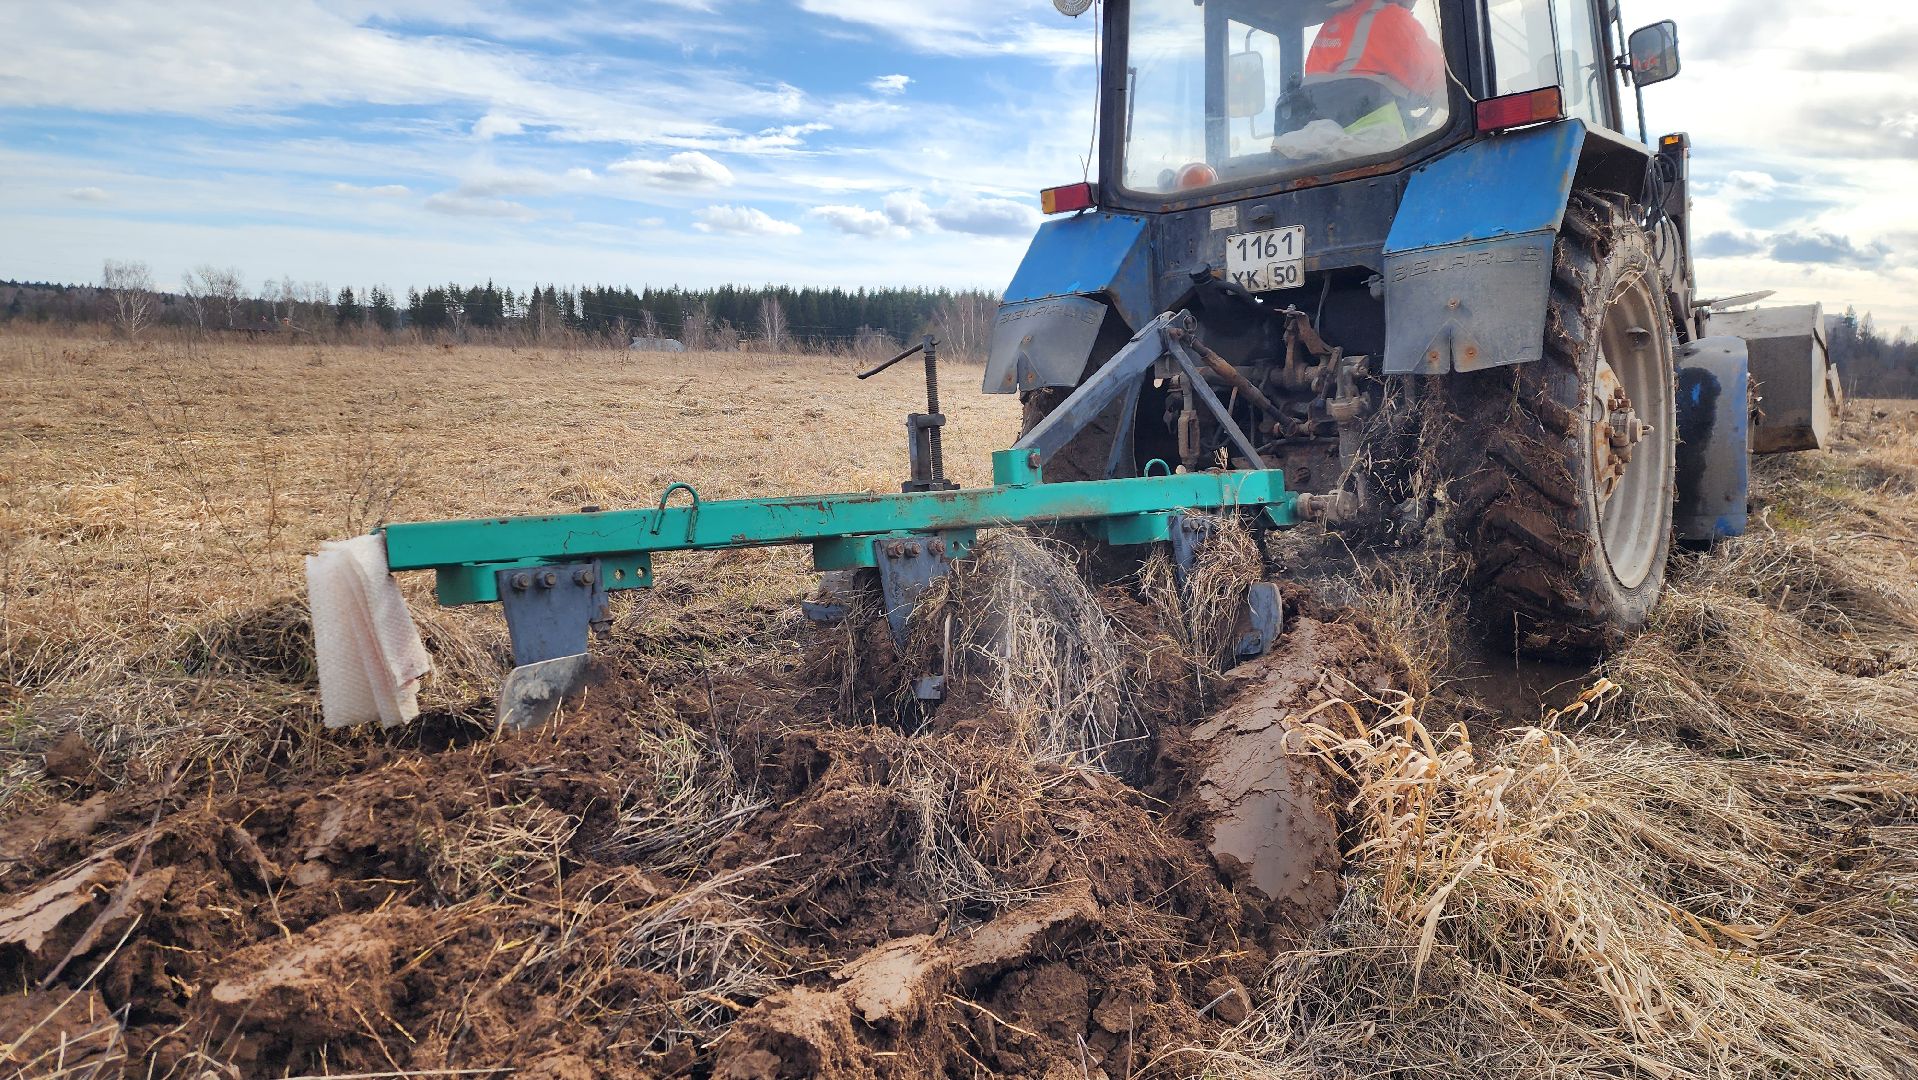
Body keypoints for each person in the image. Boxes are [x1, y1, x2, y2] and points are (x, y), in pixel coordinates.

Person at [1282, 0, 1444, 138]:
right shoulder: (1392, 19)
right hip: (1383, 149)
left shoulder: (1332, 25)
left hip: (1323, 146)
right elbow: (1444, 82)